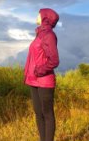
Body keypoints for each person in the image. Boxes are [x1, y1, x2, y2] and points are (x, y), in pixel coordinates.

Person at [24, 8, 60, 141]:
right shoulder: (40, 34)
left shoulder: (48, 35)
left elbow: (54, 60)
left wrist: (40, 71)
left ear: (45, 17)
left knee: (47, 114)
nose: (37, 15)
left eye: (39, 13)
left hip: (44, 80)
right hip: (33, 80)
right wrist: (31, 74)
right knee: (38, 113)